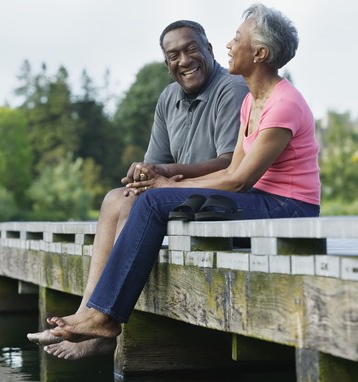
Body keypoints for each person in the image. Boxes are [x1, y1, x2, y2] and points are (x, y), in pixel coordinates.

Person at [46, 3, 320, 344]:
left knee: (151, 203)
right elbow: (234, 170)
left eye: (237, 39)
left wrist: (165, 186)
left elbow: (238, 180)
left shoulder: (283, 105)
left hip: (288, 207)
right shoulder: (253, 101)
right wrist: (166, 184)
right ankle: (95, 312)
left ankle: (104, 317)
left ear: (260, 53)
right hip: (261, 200)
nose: (229, 46)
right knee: (149, 199)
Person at [27, 20, 249, 359]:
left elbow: (231, 164)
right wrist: (145, 174)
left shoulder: (230, 88)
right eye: (174, 55)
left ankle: (102, 321)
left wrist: (167, 174)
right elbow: (155, 163)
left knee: (136, 206)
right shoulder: (168, 98)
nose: (185, 60)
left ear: (209, 50)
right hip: (180, 195)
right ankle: (90, 313)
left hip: (216, 198)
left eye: (191, 49)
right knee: (117, 197)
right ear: (166, 63)